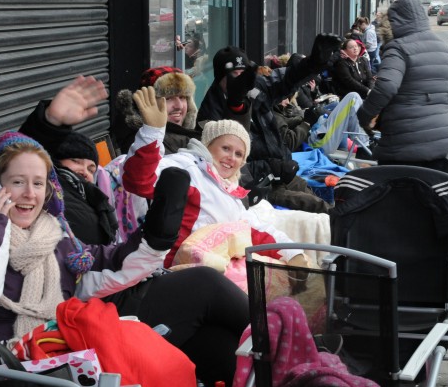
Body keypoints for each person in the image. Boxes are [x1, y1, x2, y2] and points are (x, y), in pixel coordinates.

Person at [0, 131, 250, 387]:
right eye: (17, 182)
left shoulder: (51, 234)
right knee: (202, 287)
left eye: (38, 184)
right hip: (12, 370)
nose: (29, 194)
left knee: (216, 345)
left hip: (68, 348)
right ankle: (283, 343)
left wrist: (154, 237)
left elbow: (106, 265)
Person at [123, 86, 312, 275]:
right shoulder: (188, 166)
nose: (232, 157)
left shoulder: (229, 188)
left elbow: (255, 229)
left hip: (214, 269)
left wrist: (293, 255)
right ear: (208, 145)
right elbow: (139, 180)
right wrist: (152, 132)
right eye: (226, 148)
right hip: (176, 271)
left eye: (239, 154)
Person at [197, 34, 343, 213]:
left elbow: (288, 78)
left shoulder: (255, 87)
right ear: (221, 77)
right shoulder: (210, 114)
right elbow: (220, 166)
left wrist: (313, 64)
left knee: (327, 202)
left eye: (245, 74)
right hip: (256, 186)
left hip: (285, 172)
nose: (242, 80)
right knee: (319, 210)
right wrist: (270, 167)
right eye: (235, 74)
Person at [357, 0, 448, 173]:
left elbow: (386, 87)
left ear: (394, 22)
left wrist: (364, 115)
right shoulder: (444, 48)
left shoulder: (398, 47)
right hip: (447, 143)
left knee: (397, 199)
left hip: (406, 147)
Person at [17, 76, 119, 245]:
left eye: (91, 169)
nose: (84, 171)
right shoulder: (47, 185)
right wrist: (50, 122)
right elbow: (22, 157)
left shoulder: (94, 199)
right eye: (76, 161)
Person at [114, 67, 201, 155]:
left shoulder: (187, 137)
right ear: (149, 102)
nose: (179, 106)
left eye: (182, 97)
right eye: (169, 98)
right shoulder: (140, 142)